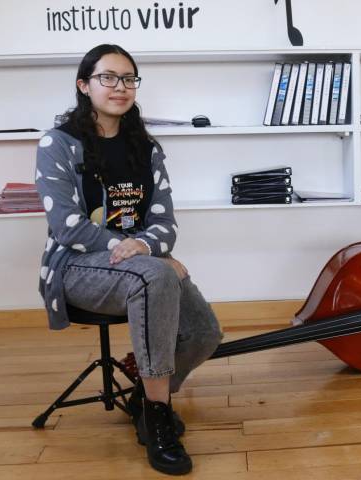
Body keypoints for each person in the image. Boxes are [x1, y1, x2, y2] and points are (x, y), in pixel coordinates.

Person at [35, 44, 222, 476]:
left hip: (143, 264)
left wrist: (149, 249)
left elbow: (165, 223)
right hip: (75, 266)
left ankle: (142, 394)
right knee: (154, 277)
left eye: (128, 78)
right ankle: (157, 416)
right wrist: (142, 250)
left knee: (204, 333)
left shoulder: (147, 148)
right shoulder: (58, 144)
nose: (120, 87)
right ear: (85, 85)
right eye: (108, 77)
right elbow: (68, 227)